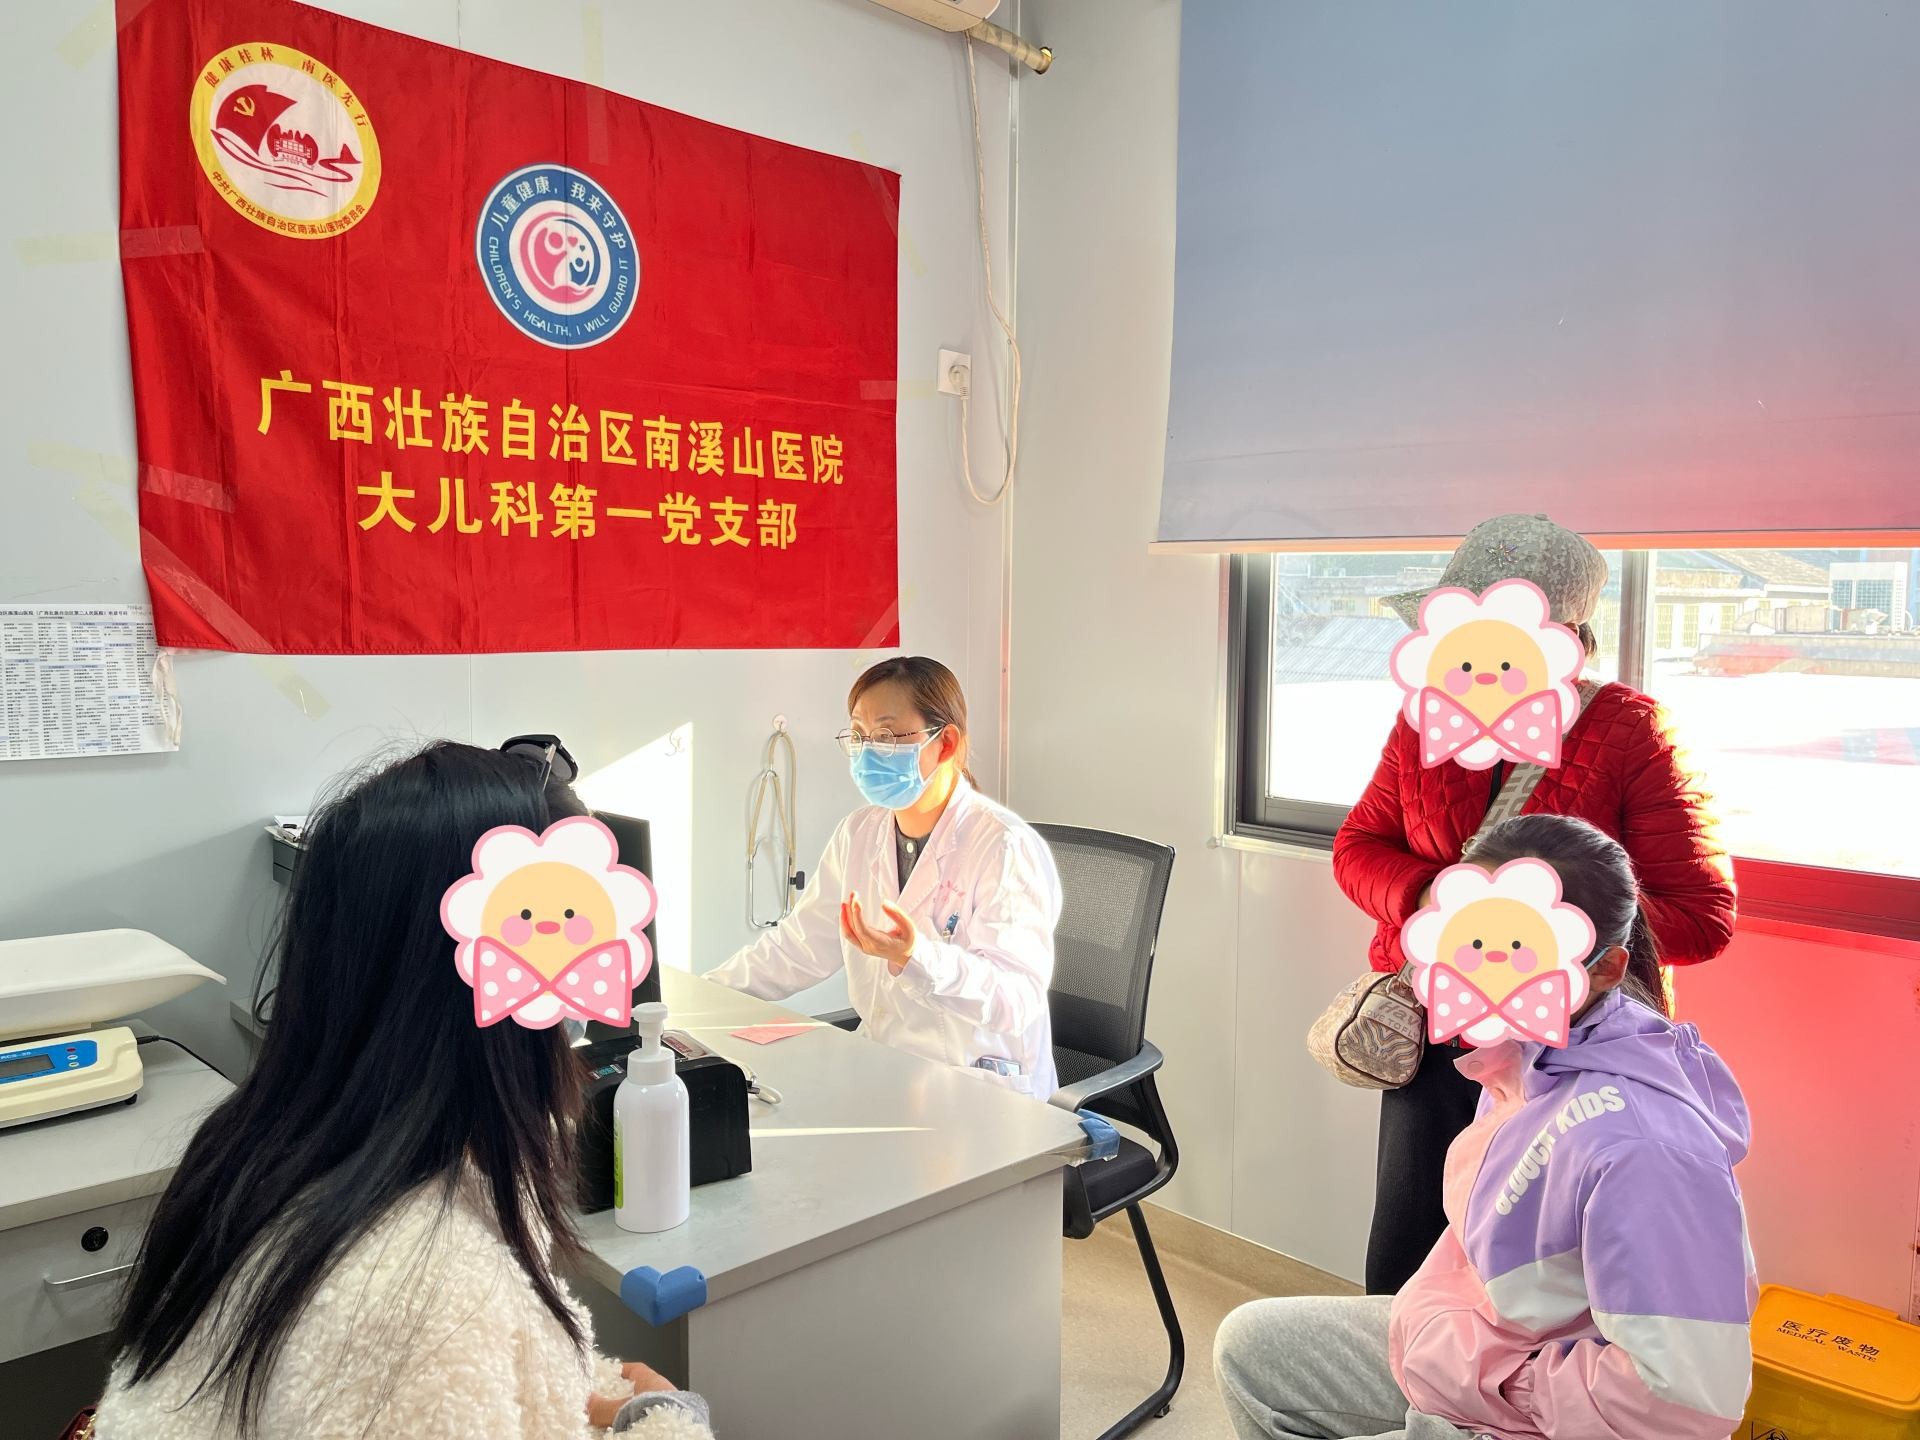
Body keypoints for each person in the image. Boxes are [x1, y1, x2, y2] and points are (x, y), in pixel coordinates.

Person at [94, 743, 713, 1439]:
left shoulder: (264, 1153)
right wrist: (666, 1422)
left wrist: (582, 1392)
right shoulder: (420, 1291)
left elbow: (485, 1386)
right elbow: (431, 1366)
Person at [1217, 814, 1755, 1440]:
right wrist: (1451, 1343)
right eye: (1465, 940)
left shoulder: (1642, 1146)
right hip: (1470, 1345)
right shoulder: (1519, 1064)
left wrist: (1490, 1381)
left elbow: (1685, 1406)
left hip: (1523, 1405)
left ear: (1607, 968)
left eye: (1521, 949)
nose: (1482, 969)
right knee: (1251, 1346)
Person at [1334, 513, 1736, 1295]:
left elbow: (1702, 916)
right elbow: (1357, 847)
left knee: (1530, 1284)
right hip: (1437, 1033)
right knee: (1406, 1264)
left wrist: (1541, 922)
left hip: (1570, 1058)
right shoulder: (1424, 725)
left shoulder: (1632, 731)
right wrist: (1433, 895)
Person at [710, 656, 1061, 1098]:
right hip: (887, 1069)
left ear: (945, 743)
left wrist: (918, 956)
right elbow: (800, 946)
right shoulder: (859, 832)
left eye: (886, 736)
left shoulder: (1003, 846)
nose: (868, 752)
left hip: (981, 1086)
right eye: (858, 736)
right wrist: (702, 995)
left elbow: (1016, 998)